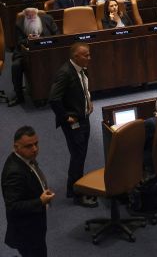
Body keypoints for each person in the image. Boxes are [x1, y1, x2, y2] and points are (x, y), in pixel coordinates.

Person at [48, 42, 98, 207]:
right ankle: (77, 194)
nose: (90, 58)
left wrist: (88, 101)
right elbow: (54, 98)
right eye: (86, 55)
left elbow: (84, 88)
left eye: (90, 55)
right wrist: (65, 117)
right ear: (76, 56)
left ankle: (74, 189)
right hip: (74, 122)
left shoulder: (82, 69)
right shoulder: (65, 73)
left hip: (84, 118)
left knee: (80, 154)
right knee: (77, 156)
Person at [2, 126, 54, 257]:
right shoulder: (14, 172)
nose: (35, 149)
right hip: (27, 231)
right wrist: (40, 201)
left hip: (34, 223)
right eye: (28, 146)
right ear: (16, 147)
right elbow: (13, 206)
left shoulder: (24, 159)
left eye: (36, 144)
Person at [10, 7, 60, 106]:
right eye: (28, 15)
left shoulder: (47, 19)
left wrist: (41, 39)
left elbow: (57, 35)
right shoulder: (19, 24)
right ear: (24, 14)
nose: (31, 17)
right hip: (25, 54)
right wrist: (28, 40)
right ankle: (19, 96)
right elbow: (19, 42)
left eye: (33, 15)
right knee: (16, 66)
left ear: (37, 13)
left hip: (47, 51)